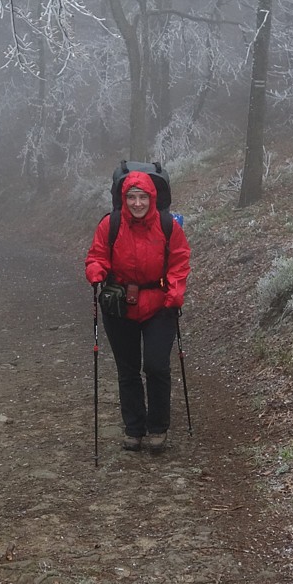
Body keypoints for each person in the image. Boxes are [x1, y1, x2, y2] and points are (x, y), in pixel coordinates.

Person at [85, 170, 191, 454]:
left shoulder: (169, 226)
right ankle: (134, 429)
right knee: (127, 370)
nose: (137, 203)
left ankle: (158, 428)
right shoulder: (111, 225)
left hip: (160, 305)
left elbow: (180, 261)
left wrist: (175, 292)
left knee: (157, 366)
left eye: (142, 197)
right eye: (131, 197)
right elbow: (96, 255)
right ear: (123, 198)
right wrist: (96, 272)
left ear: (152, 197)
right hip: (119, 306)